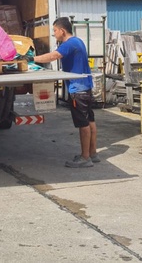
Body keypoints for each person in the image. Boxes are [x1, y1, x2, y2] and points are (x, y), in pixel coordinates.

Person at [34, 17, 97, 168]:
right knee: (90, 121)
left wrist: (32, 58)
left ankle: (85, 158)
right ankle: (93, 154)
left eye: (55, 31)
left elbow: (53, 56)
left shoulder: (68, 44)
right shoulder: (78, 41)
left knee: (83, 124)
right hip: (86, 87)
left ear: (62, 31)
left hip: (78, 90)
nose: (54, 34)